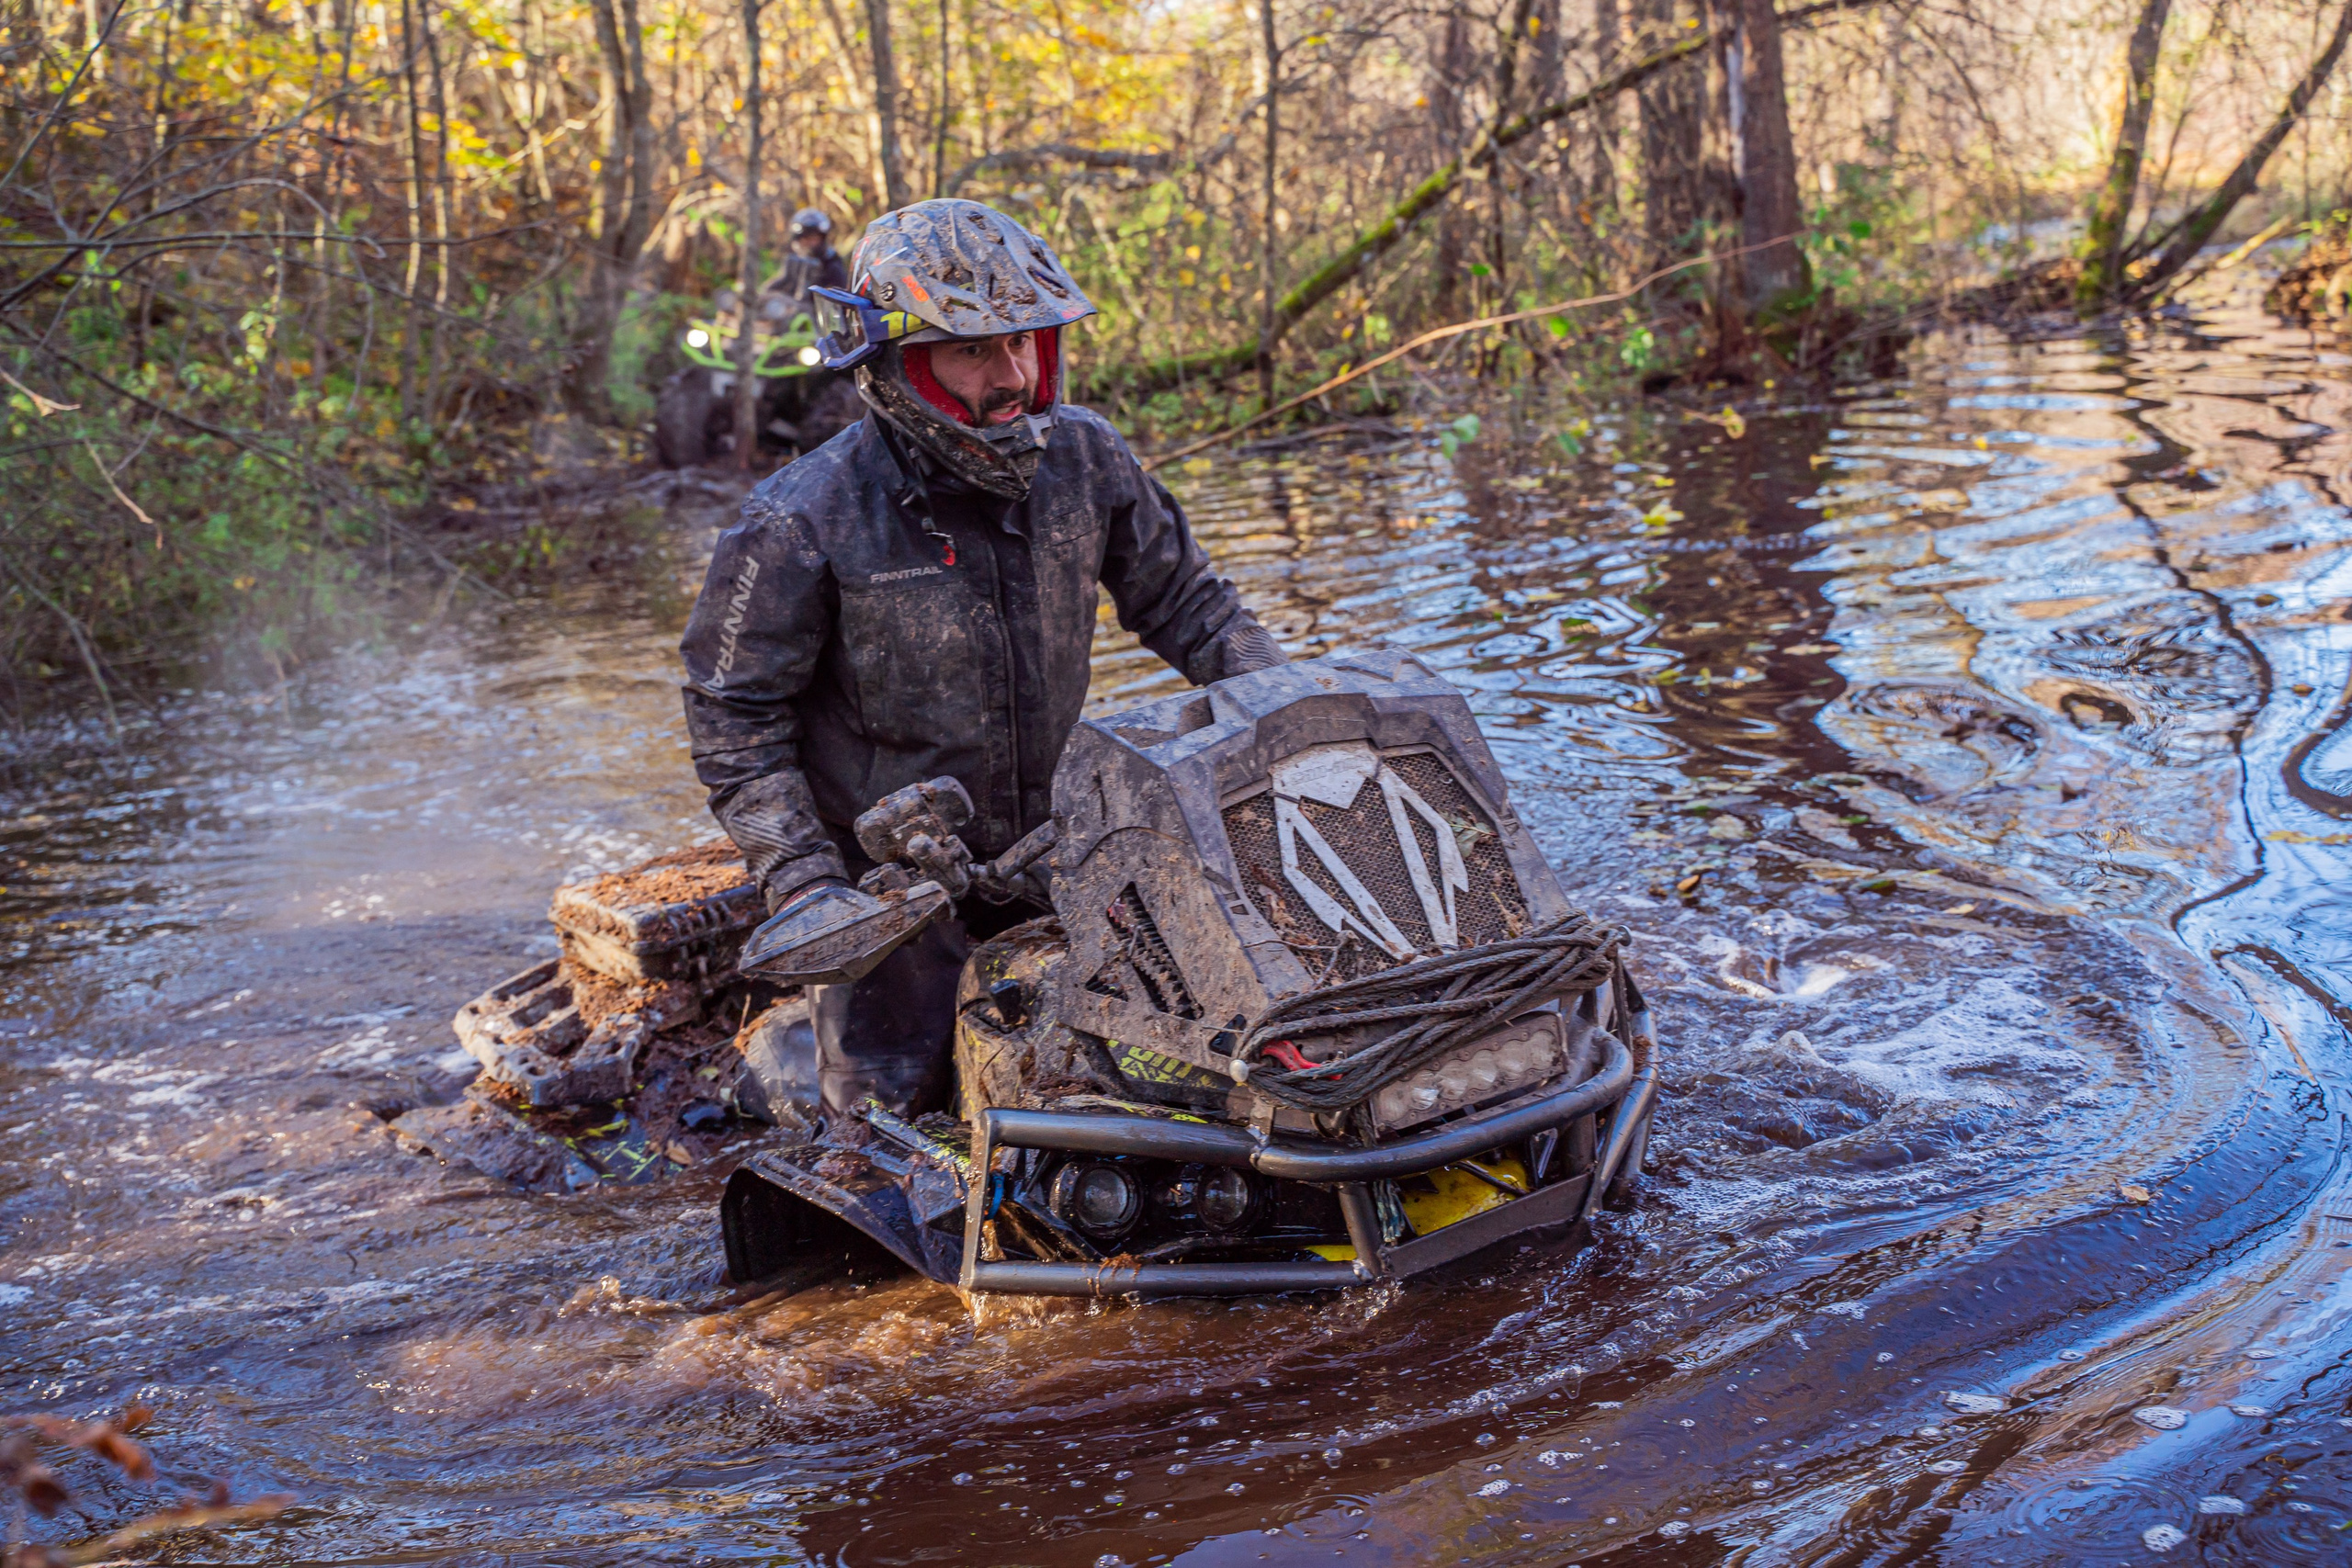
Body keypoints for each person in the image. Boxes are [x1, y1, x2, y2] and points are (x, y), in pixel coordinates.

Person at [678, 198, 1285, 1124]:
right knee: (883, 1128)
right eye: (972, 350)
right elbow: (732, 712)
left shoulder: (1085, 456)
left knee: (1178, 1080)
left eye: (1024, 343)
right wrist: (803, 882)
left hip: (1059, 851)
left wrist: (1290, 712)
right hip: (886, 896)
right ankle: (790, 1074)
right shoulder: (802, 515)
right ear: (898, 364)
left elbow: (1192, 607)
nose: (1012, 377)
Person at [766, 208, 848, 304]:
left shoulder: (832, 263)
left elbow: (841, 295)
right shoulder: (792, 260)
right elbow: (777, 284)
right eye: (806, 238)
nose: (810, 243)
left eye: (814, 238)